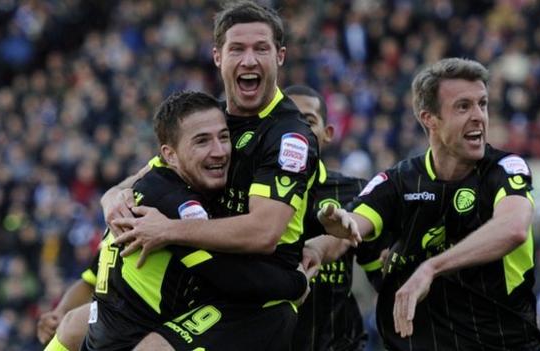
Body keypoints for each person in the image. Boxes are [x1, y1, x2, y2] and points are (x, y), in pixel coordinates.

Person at [102, 1, 359, 349]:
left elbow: (263, 232)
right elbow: (156, 169)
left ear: (279, 57)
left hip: (257, 300)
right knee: (78, 325)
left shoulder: (289, 136)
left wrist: (168, 230)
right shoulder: (213, 118)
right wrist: (112, 197)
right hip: (211, 282)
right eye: (237, 49)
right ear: (217, 57)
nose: (249, 60)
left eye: (261, 49)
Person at [316, 57, 540, 350]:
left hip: (502, 344)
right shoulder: (398, 181)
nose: (479, 116)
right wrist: (327, 237)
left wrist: (430, 268)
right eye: (463, 107)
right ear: (429, 119)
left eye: (483, 104)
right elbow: (350, 228)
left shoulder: (505, 168)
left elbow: (513, 228)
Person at [77, 90, 311, 351]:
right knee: (278, 313)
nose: (220, 151)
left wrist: (110, 194)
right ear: (171, 155)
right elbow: (232, 277)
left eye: (224, 137)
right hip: (132, 344)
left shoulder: (152, 184)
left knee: (74, 322)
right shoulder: (176, 205)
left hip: (104, 337)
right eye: (202, 142)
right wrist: (297, 283)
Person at [284, 85, 386, 351]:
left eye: (308, 121)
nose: (298, 130)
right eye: (286, 120)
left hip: (341, 344)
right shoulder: (254, 193)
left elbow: (383, 276)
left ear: (328, 133)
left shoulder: (354, 191)